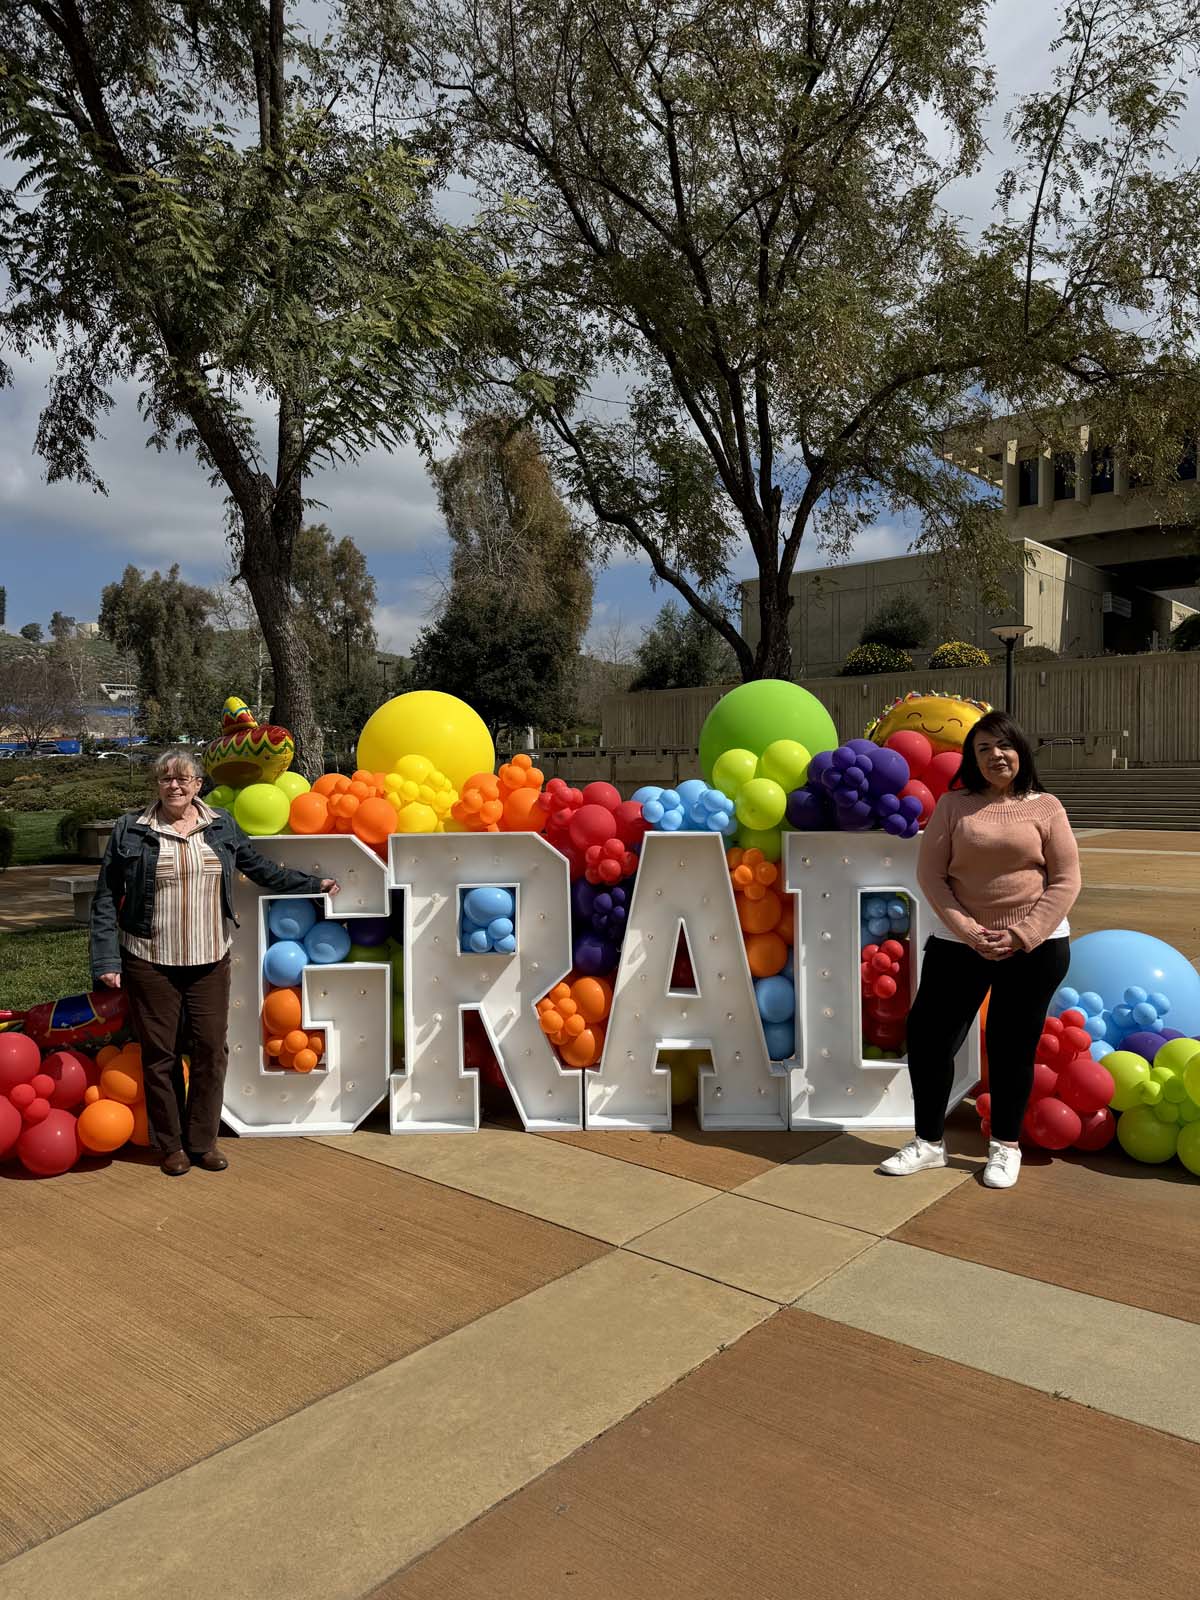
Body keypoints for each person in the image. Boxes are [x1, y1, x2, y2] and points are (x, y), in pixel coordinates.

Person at [90, 748, 339, 1176]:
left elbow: (259, 868)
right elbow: (106, 899)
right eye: (167, 778)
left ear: (197, 785)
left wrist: (311, 883)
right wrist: (106, 959)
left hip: (209, 957)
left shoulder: (220, 824)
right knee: (160, 1053)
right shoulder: (131, 830)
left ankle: (202, 1141)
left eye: (183, 779)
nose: (175, 786)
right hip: (150, 959)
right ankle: (169, 1145)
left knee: (210, 1049)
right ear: (157, 784)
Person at [879, 711, 1080, 1189]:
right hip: (958, 943)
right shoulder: (953, 806)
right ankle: (928, 1143)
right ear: (972, 758)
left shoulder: (1046, 806)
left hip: (1035, 946)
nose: (995, 755)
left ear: (1021, 751)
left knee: (1012, 1046)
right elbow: (932, 876)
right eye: (983, 748)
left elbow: (1067, 879)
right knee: (928, 1040)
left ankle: (1005, 1146)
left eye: (1003, 745)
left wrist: (1021, 934)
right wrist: (969, 930)